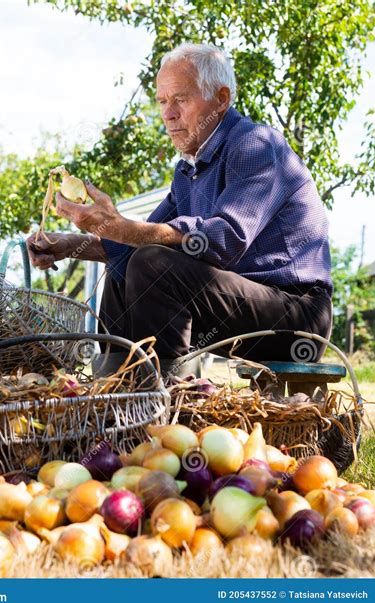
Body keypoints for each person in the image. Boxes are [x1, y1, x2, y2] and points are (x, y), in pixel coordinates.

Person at [27, 42, 332, 375]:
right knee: (126, 262)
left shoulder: (255, 144)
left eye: (181, 99)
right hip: (236, 301)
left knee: (152, 262)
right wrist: (69, 245)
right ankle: (116, 389)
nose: (168, 114)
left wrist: (121, 227)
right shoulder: (187, 170)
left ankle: (166, 400)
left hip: (297, 316)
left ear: (221, 99)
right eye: (162, 101)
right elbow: (137, 238)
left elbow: (226, 236)